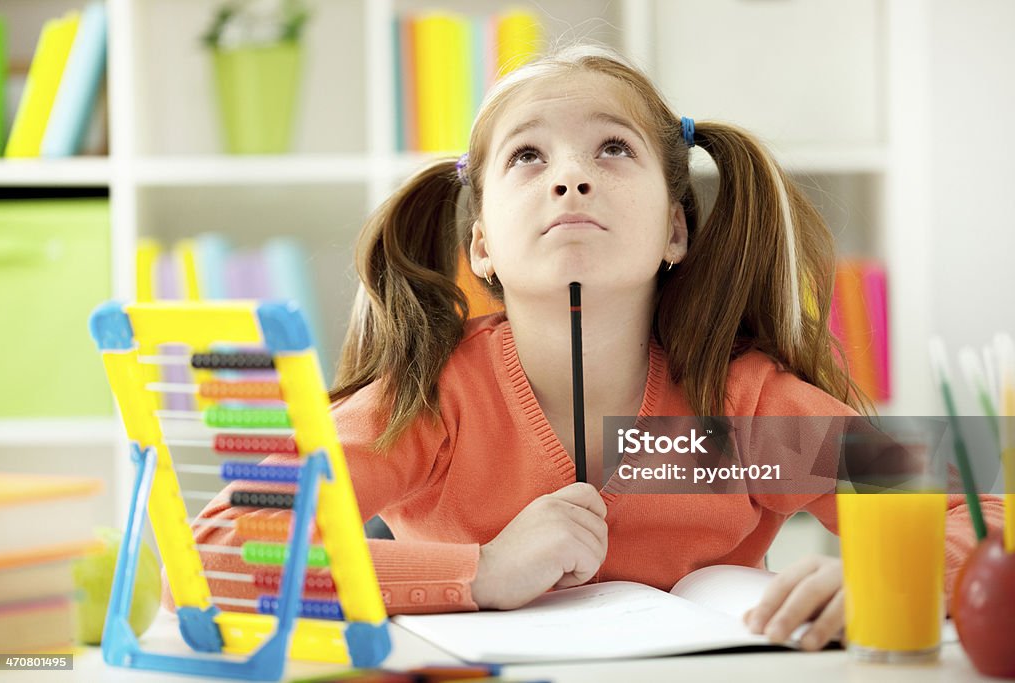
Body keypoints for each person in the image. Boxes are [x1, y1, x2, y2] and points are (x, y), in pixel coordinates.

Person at [164, 44, 1003, 652]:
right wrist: (479, 572)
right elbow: (213, 552)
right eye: (529, 155)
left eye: (613, 148)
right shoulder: (429, 395)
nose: (571, 176)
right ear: (482, 242)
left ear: (675, 228)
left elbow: (982, 517)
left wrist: (898, 575)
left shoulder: (747, 403)